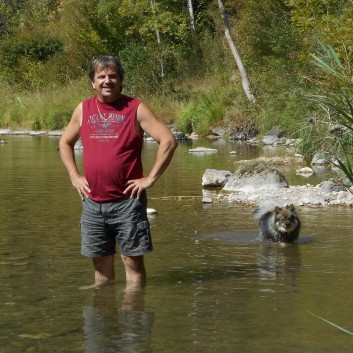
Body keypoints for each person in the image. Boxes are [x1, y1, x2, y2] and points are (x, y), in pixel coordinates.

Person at [59, 55, 177, 291]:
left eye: (112, 76)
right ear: (93, 82)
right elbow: (64, 142)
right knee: (100, 263)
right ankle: (103, 313)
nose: (107, 80)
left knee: (132, 262)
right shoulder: (83, 109)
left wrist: (150, 179)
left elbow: (168, 141)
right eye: (101, 76)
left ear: (121, 80)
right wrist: (74, 176)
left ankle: (133, 314)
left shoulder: (136, 108)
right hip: (92, 202)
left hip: (128, 202)